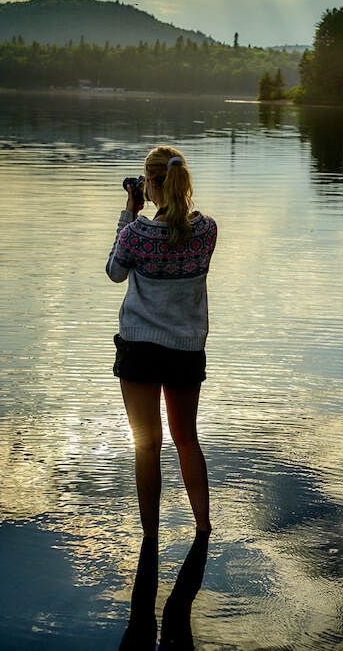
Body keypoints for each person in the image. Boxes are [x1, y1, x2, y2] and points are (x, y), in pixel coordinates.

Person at [106, 146, 217, 539]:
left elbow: (114, 272)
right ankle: (203, 527)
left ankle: (151, 537)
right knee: (186, 437)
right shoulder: (207, 230)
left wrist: (129, 214)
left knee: (147, 445)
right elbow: (178, 234)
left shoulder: (137, 234)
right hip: (186, 349)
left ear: (150, 184)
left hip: (140, 350)